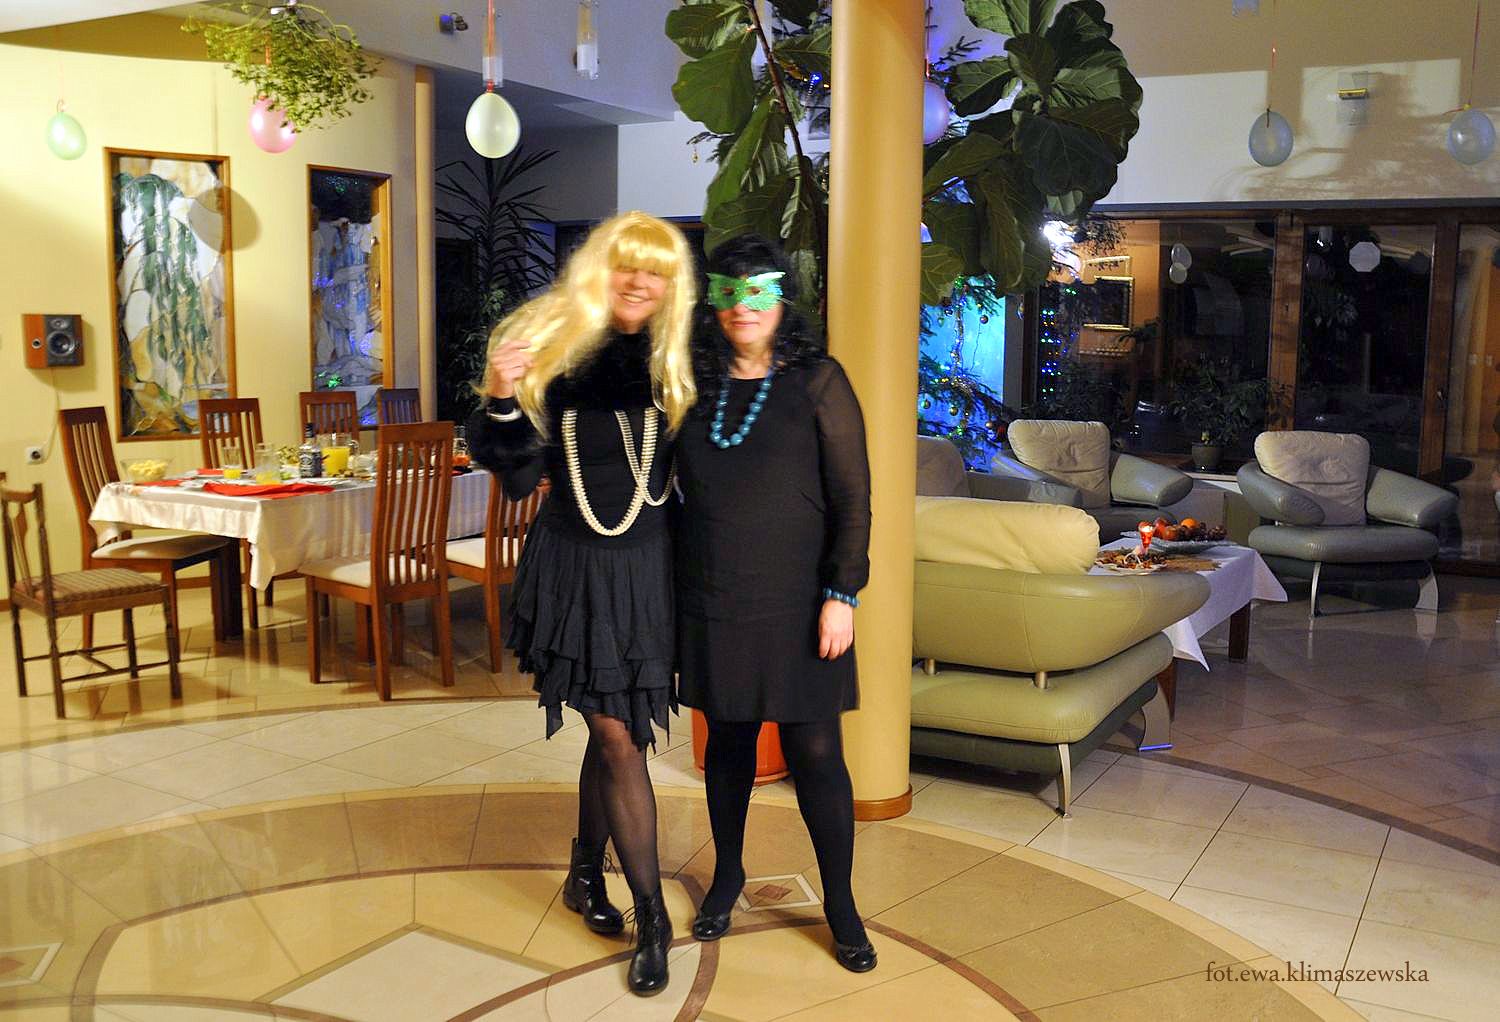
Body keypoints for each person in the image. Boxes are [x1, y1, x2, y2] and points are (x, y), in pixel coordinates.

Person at [466, 211, 697, 997]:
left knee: (613, 730)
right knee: (619, 736)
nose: (639, 282)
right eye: (628, 265)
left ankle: (583, 874)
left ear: (670, 285)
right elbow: (515, 477)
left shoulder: (676, 359)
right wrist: (501, 394)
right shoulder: (554, 347)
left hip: (649, 571)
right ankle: (653, 918)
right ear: (602, 268)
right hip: (575, 567)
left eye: (655, 271)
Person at [674, 234, 877, 973]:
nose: (744, 306)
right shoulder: (690, 384)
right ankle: (727, 875)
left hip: (801, 601)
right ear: (712, 304)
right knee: (727, 747)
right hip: (714, 594)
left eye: (758, 290)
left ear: (783, 298)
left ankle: (841, 904)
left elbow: (853, 499)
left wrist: (841, 595)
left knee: (816, 754)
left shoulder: (819, 381)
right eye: (729, 292)